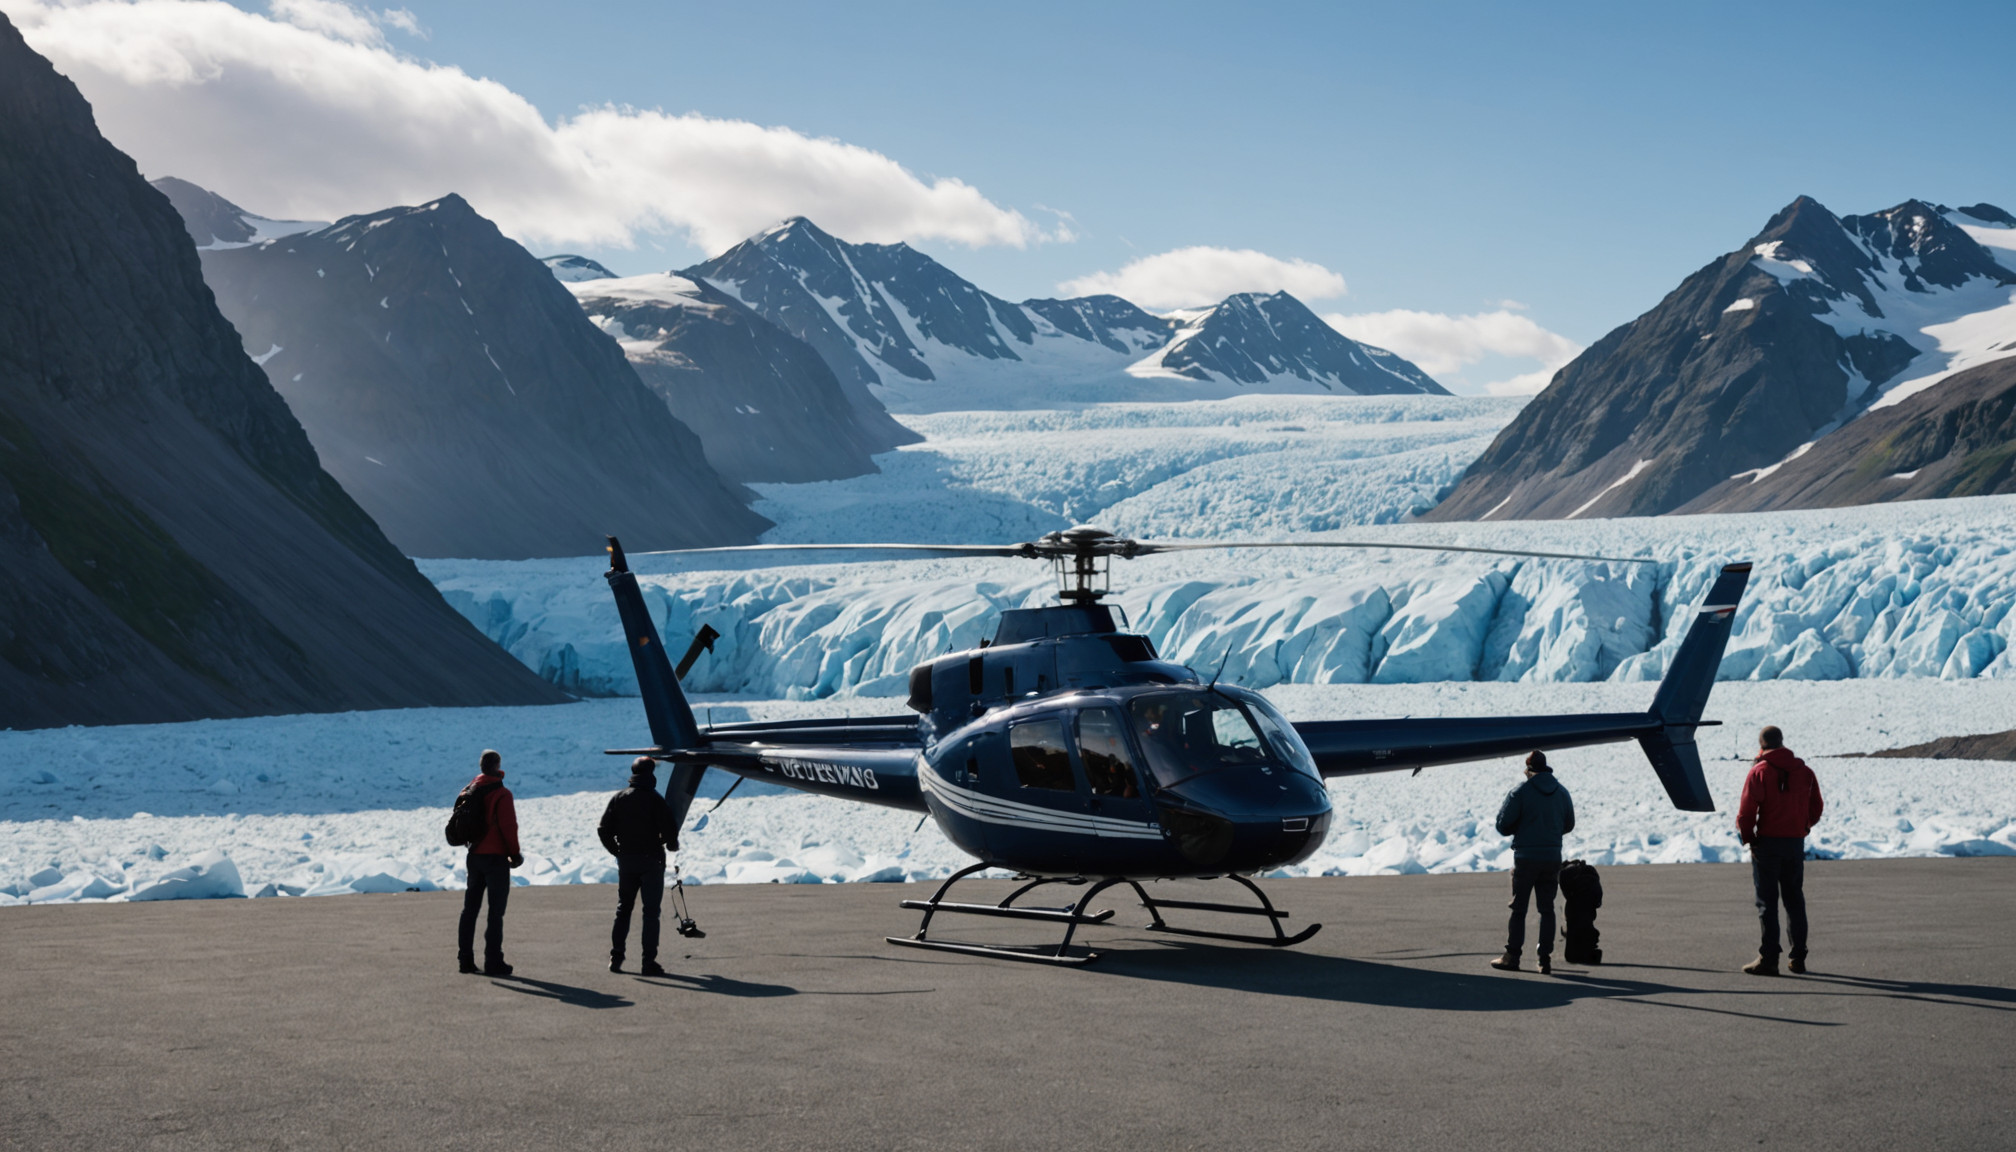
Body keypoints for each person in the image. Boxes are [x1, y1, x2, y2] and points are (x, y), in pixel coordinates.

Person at [1736, 725, 1824, 976]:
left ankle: (1769, 958)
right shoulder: (1804, 771)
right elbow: (1816, 807)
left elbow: (1746, 812)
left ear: (1761, 745)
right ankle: (1797, 958)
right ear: (1782, 742)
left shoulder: (1759, 771)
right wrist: (1802, 827)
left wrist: (1749, 838)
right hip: (1794, 844)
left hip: (1767, 845)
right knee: (1795, 900)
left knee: (1767, 903)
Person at [1491, 750, 1576, 975]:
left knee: (1519, 909)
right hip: (1551, 857)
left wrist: (1523, 828)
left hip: (1526, 858)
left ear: (1528, 769)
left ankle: (1512, 956)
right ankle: (1544, 959)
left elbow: (1502, 825)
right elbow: (1569, 824)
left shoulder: (1520, 792)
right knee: (1546, 908)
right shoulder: (1562, 792)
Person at [599, 756, 680, 975]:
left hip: (627, 861)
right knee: (651, 912)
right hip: (651, 860)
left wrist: (617, 851)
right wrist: (671, 844)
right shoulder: (655, 799)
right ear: (651, 774)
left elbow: (603, 829)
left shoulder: (619, 798)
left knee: (623, 909)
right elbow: (670, 830)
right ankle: (648, 962)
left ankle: (616, 957)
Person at [458, 749, 522, 976]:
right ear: (497, 766)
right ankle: (493, 961)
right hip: (495, 859)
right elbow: (508, 827)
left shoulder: (469, 789)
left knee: (469, 910)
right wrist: (515, 854)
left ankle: (465, 959)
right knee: (495, 913)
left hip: (474, 856)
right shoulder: (501, 793)